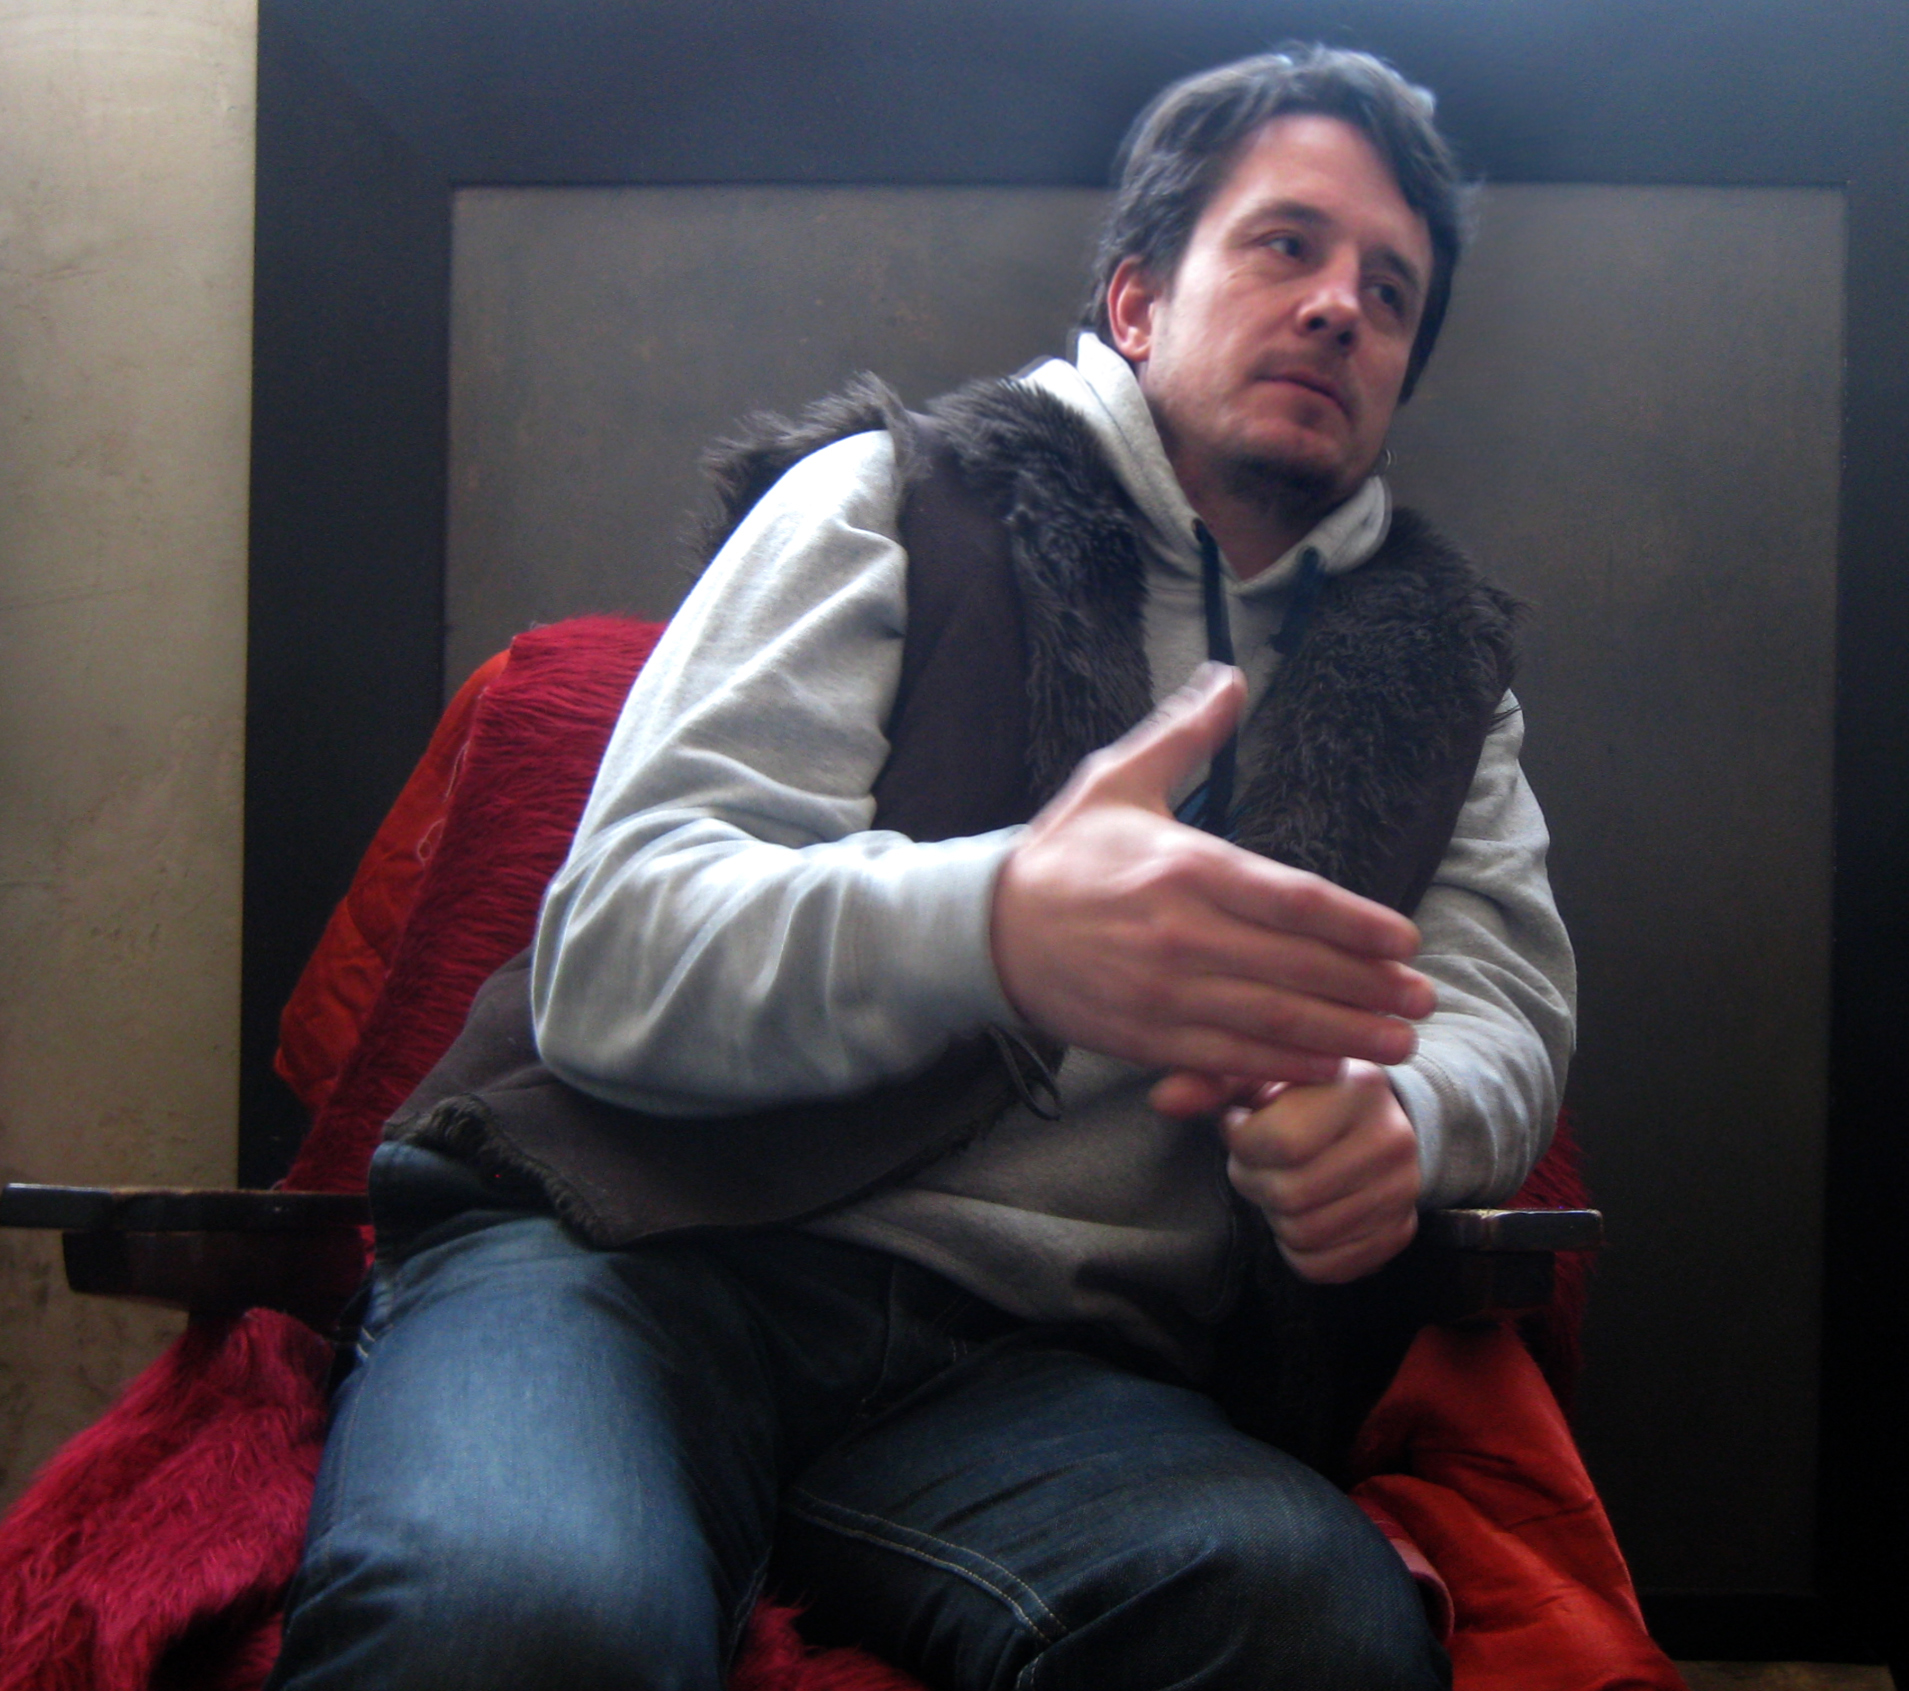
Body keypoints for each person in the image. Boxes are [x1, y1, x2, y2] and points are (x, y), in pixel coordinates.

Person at [270, 44, 1574, 1691]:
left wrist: (1402, 1120)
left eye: (1389, 292)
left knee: (1308, 1628)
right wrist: (998, 923)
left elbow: (1503, 1009)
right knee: (520, 1623)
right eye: (1283, 245)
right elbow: (615, 951)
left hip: (1039, 1371)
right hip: (626, 1256)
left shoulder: (1443, 674)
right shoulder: (892, 497)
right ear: (1135, 302)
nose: (1338, 309)